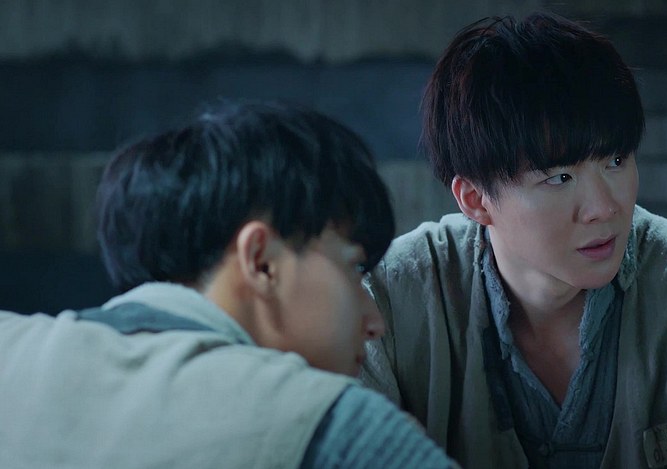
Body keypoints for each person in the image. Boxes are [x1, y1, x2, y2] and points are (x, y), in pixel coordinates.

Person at [360, 12, 667, 468]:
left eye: (615, 161)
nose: (605, 207)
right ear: (475, 199)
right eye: (560, 177)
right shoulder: (390, 302)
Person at [0, 101, 458, 468]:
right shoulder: (332, 427)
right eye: (354, 269)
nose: (375, 321)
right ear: (261, 261)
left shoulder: (13, 350)